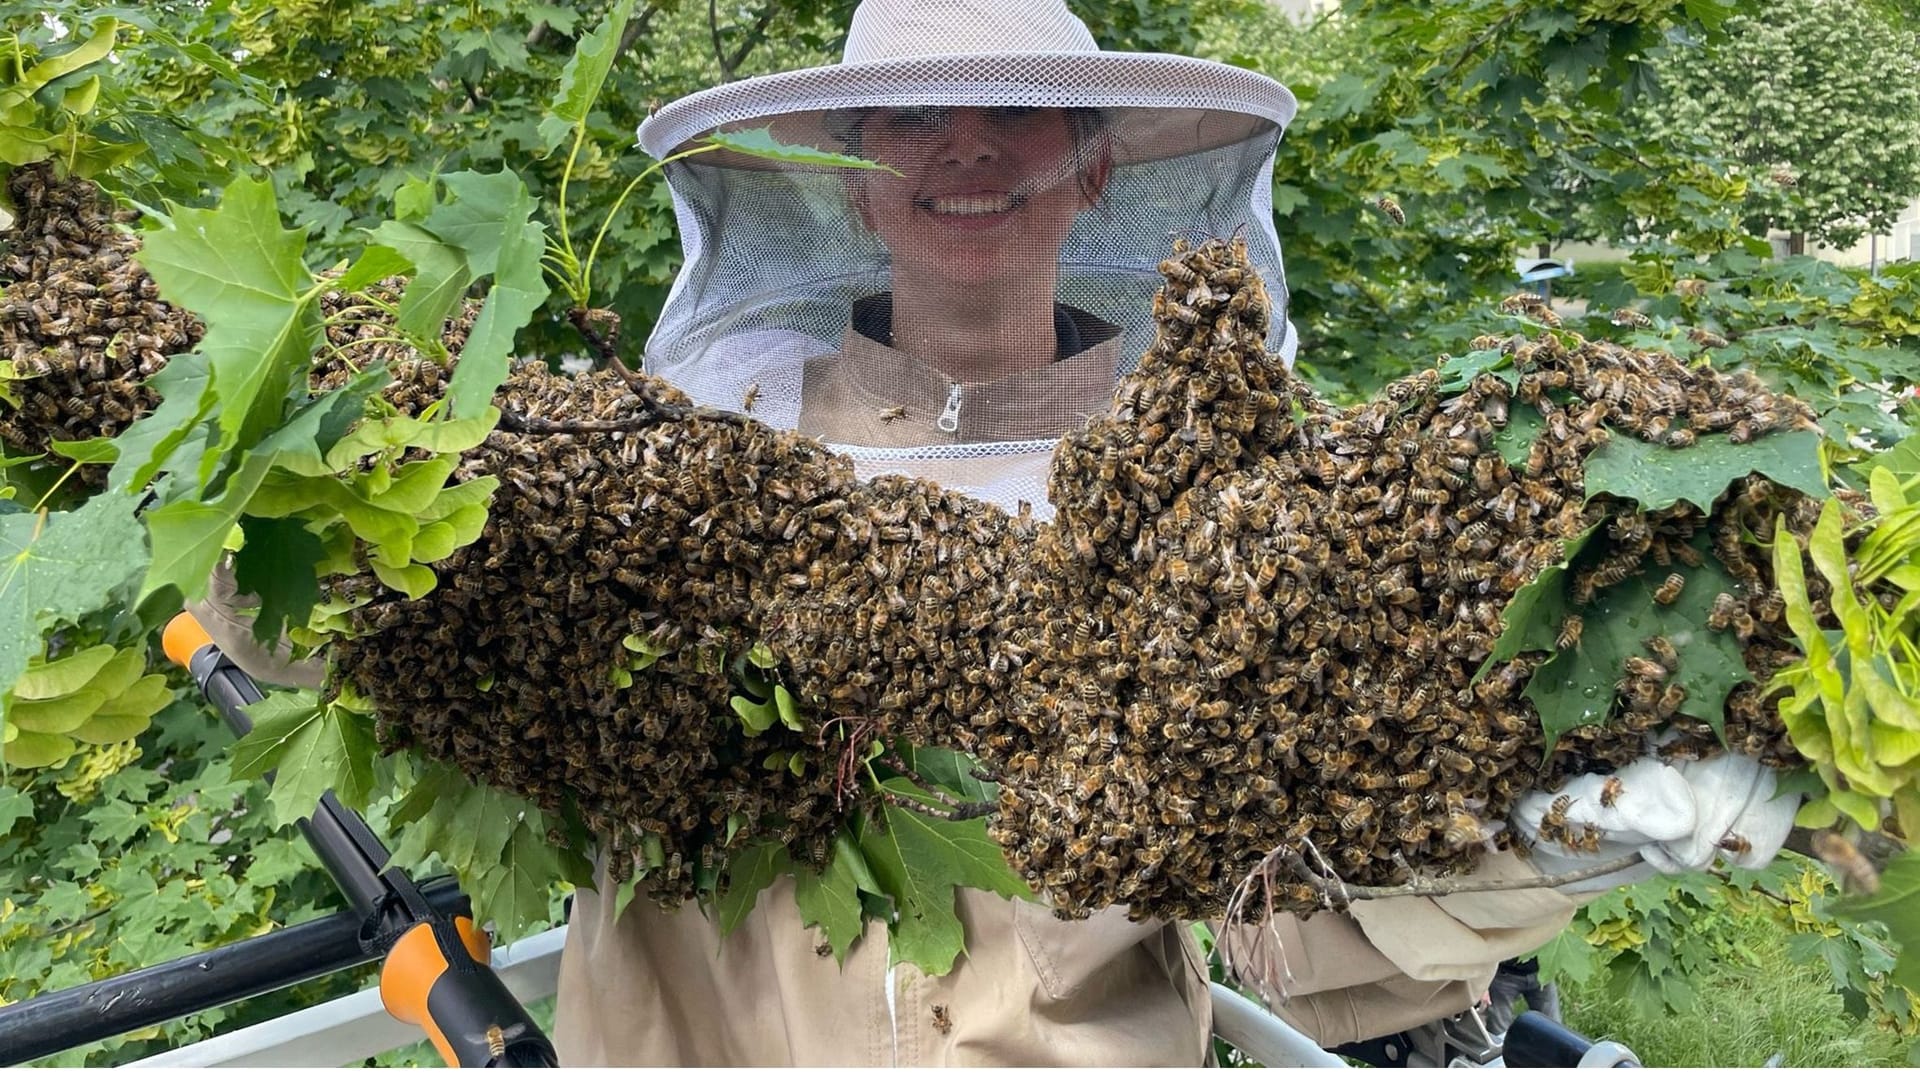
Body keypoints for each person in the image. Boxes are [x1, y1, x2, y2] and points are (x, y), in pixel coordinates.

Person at [194, 0, 1799, 1064]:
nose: (965, 152)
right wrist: (304, 499)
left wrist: (1538, 847)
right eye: (914, 126)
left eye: (1019, 118)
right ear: (854, 181)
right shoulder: (686, 436)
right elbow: (317, 644)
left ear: (1096, 169)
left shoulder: (1234, 486)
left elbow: (1301, 919)